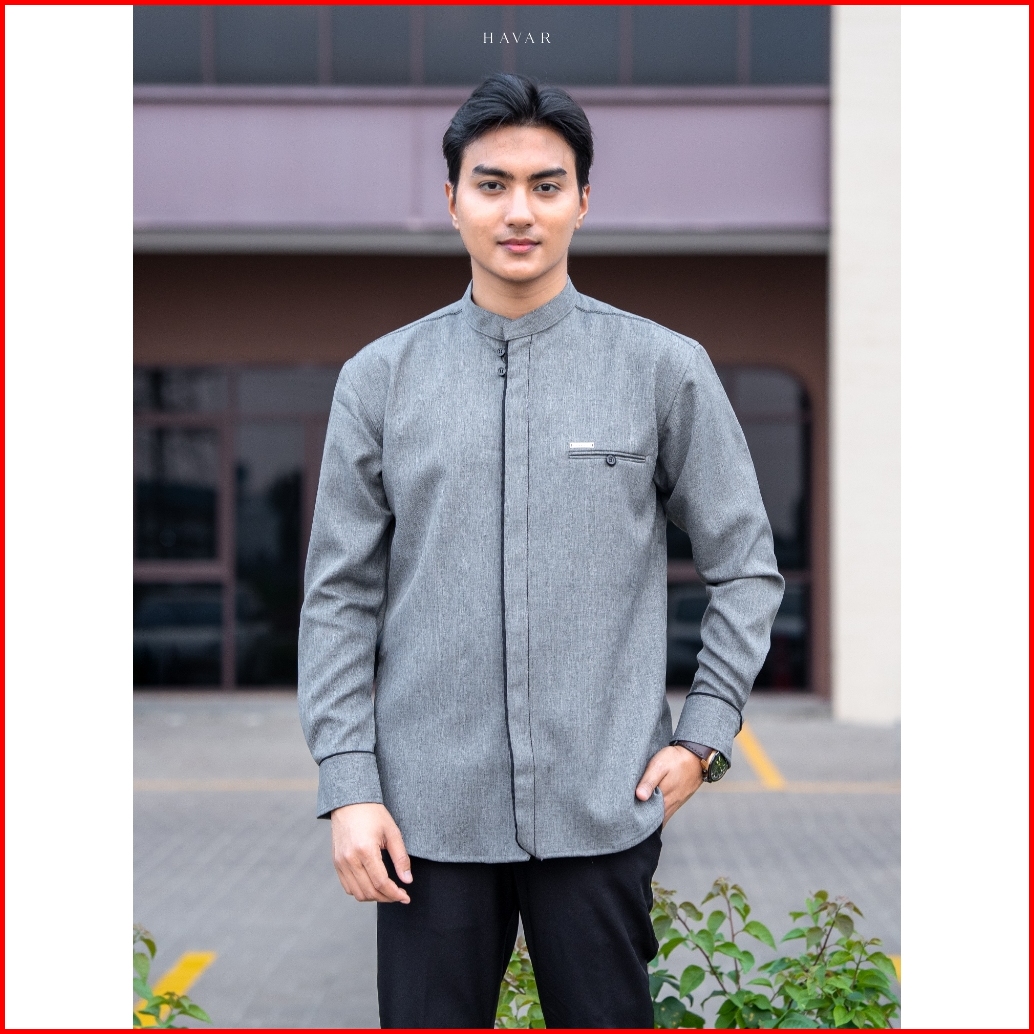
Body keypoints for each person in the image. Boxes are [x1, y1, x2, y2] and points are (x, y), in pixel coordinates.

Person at [298, 72, 783, 1029]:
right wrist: (349, 786)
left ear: (583, 200)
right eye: (492, 184)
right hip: (424, 822)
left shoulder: (661, 368)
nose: (518, 211)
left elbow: (746, 566)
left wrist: (704, 736)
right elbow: (338, 599)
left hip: (602, 806)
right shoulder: (380, 379)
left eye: (546, 185)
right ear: (452, 200)